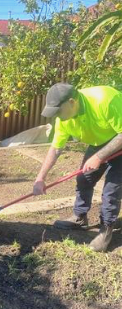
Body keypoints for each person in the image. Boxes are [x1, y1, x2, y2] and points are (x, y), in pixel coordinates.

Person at [33, 83, 122, 252]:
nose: (57, 116)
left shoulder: (105, 99)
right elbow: (56, 148)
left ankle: (106, 229)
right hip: (99, 142)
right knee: (84, 179)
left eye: (58, 111)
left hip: (119, 139)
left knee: (111, 190)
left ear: (72, 102)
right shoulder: (64, 119)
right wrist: (40, 178)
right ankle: (80, 216)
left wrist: (99, 157)